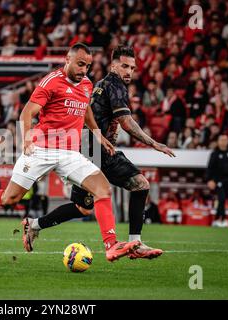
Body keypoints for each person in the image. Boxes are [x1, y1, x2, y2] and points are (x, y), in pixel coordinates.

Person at [0, 43, 141, 263]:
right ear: (67, 60)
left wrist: (98, 135)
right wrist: (26, 138)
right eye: (80, 64)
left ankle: (111, 246)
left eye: (87, 66)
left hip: (69, 153)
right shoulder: (51, 82)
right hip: (42, 149)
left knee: (103, 189)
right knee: (9, 198)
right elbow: (28, 111)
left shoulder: (87, 84)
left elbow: (85, 108)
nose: (83, 70)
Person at [21, 44, 175, 259]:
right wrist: (154, 143)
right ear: (113, 66)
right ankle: (134, 244)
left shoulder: (101, 84)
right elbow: (126, 122)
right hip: (96, 149)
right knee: (141, 185)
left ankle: (34, 225)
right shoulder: (115, 85)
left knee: (83, 208)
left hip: (85, 147)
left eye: (132, 68)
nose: (128, 72)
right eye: (124, 66)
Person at [206, 134, 228, 227]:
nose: (223, 142)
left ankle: (217, 219)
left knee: (226, 199)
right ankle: (222, 218)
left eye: (225, 140)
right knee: (221, 199)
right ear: (218, 142)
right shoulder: (214, 154)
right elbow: (209, 168)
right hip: (217, 180)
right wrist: (210, 180)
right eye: (221, 140)